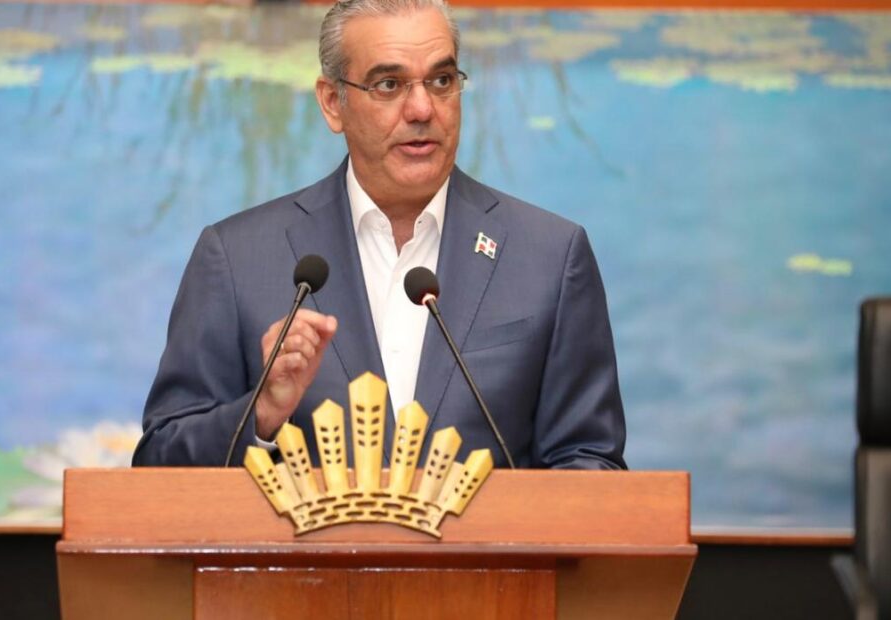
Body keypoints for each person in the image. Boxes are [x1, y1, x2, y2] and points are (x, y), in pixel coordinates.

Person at [132, 0, 626, 470]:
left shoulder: (550, 257)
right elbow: (160, 464)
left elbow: (590, 461)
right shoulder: (238, 259)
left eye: (441, 80)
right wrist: (261, 414)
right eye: (389, 84)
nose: (422, 108)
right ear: (333, 103)